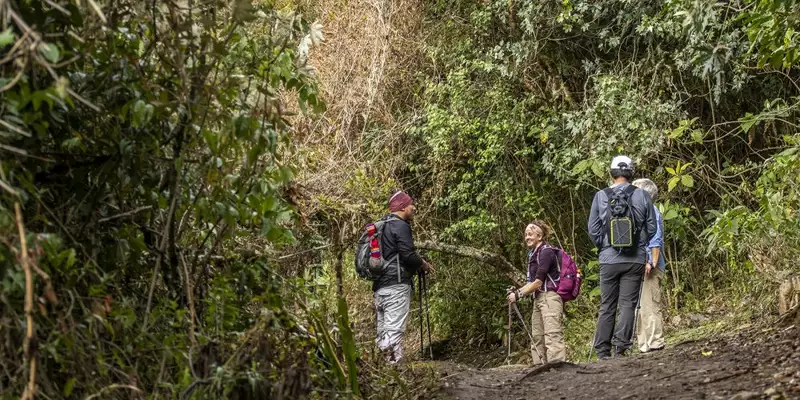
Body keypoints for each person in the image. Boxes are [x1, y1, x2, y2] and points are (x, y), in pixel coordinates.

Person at [588, 156, 657, 359]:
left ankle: (602, 351)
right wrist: (638, 243)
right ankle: (621, 348)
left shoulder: (601, 195)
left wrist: (604, 245)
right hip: (634, 259)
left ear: (611, 173)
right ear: (631, 173)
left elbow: (592, 229)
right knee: (628, 304)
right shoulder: (643, 195)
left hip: (608, 259)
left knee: (607, 304)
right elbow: (652, 227)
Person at [373, 191, 434, 364]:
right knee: (394, 331)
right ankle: (393, 372)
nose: (413, 207)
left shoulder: (382, 225)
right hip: (396, 287)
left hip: (380, 288)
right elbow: (408, 255)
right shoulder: (400, 226)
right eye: (410, 204)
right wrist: (422, 263)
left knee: (383, 332)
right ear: (402, 207)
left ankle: (382, 371)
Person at [507, 220, 566, 364]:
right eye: (526, 234)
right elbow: (530, 283)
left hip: (550, 298)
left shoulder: (546, 252)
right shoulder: (533, 254)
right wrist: (518, 291)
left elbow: (538, 282)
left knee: (552, 335)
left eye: (530, 234)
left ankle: (558, 370)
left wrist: (518, 295)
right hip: (538, 299)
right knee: (537, 337)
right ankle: (539, 368)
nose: (527, 237)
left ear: (539, 236)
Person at [632, 178, 666, 353]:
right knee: (639, 307)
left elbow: (655, 239)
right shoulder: (639, 212)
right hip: (638, 264)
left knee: (650, 305)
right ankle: (644, 344)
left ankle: (655, 341)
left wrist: (651, 262)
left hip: (649, 266)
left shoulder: (651, 210)